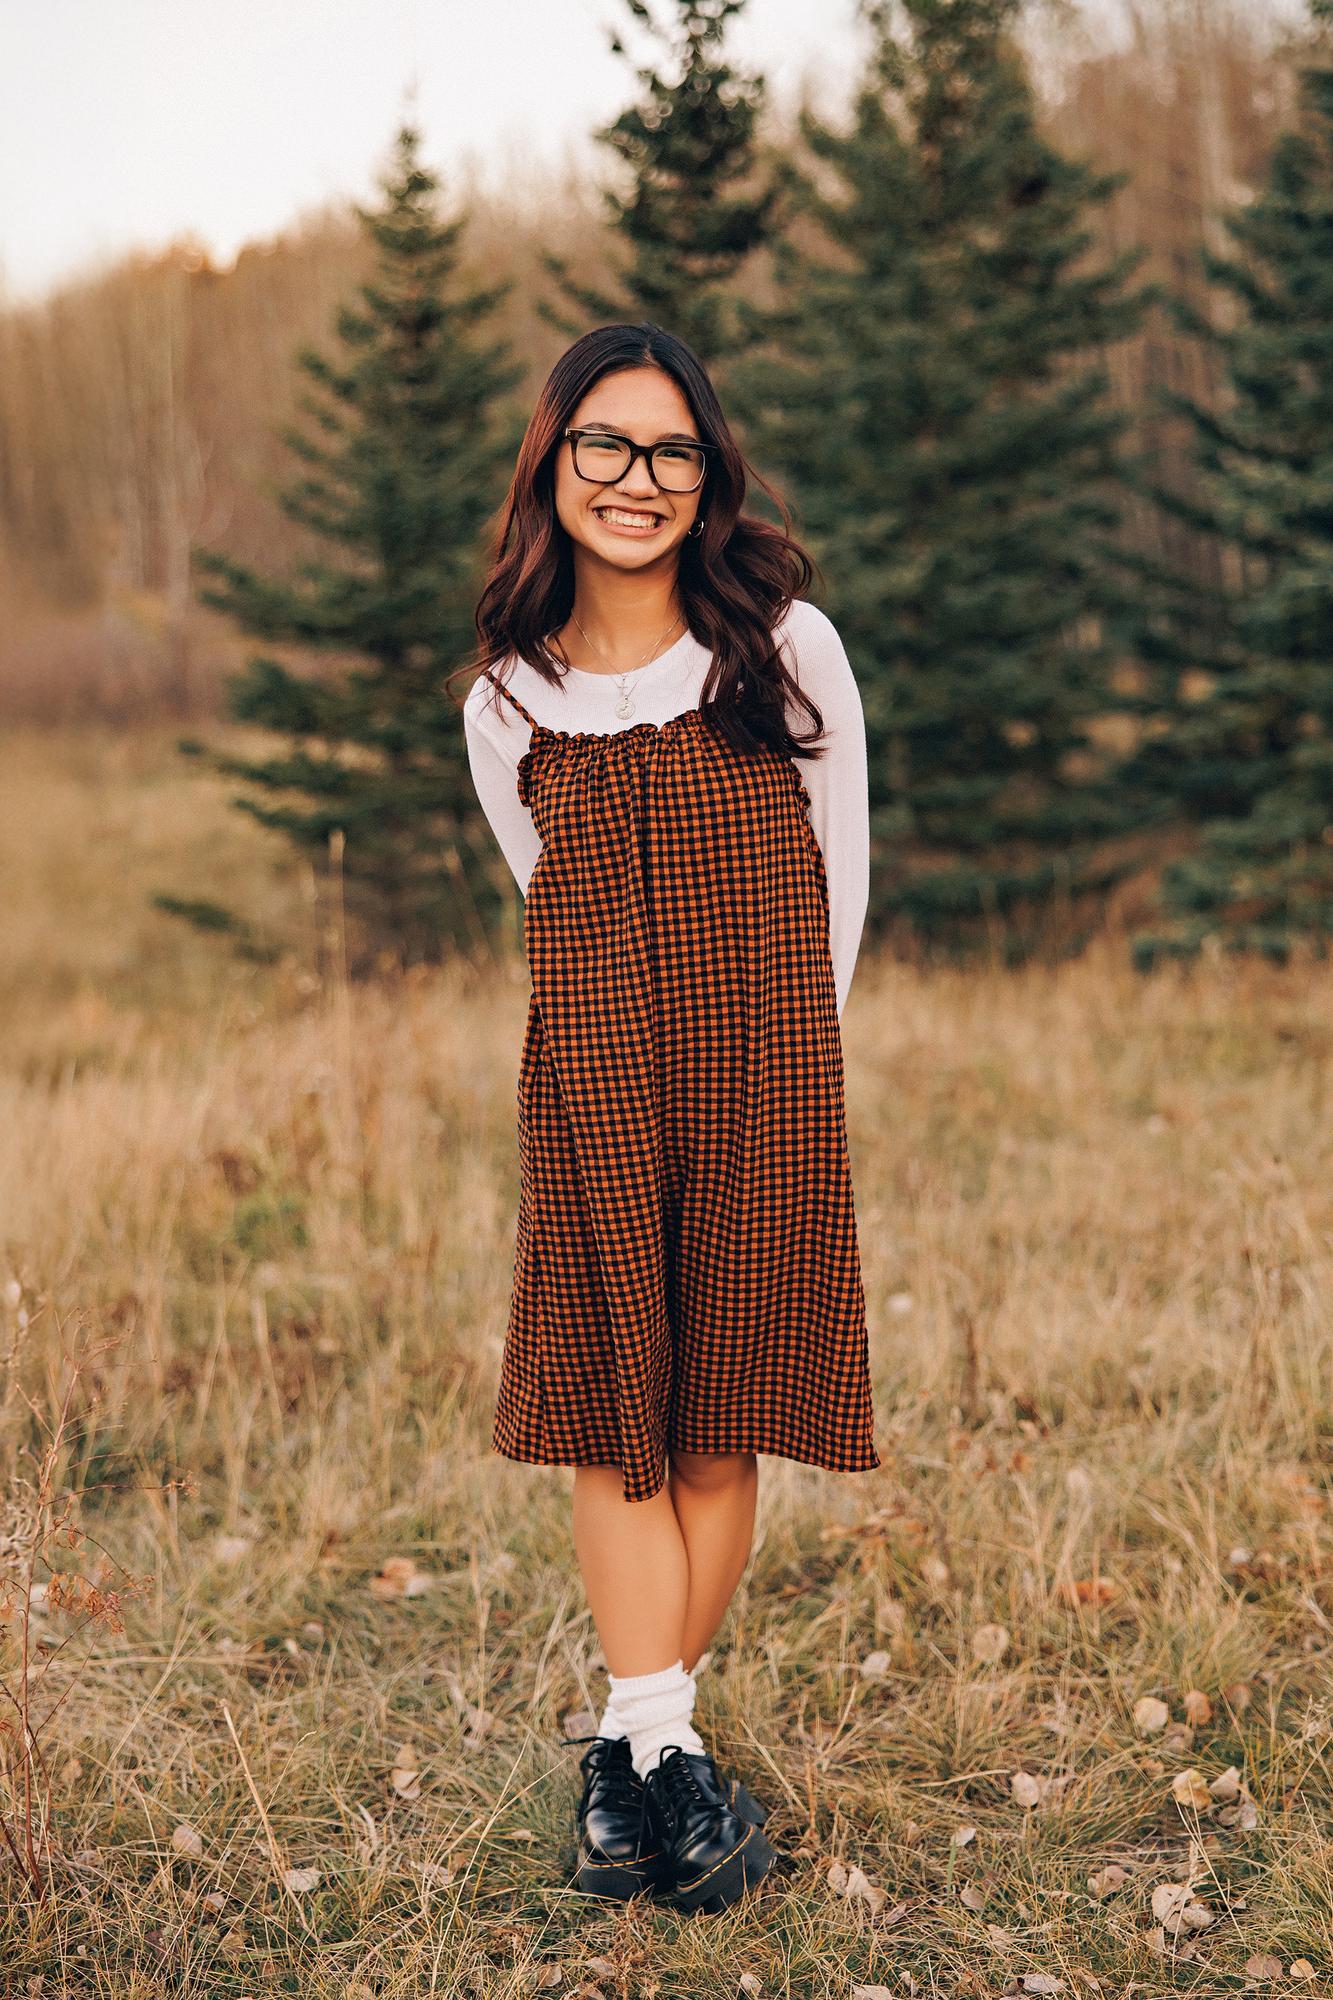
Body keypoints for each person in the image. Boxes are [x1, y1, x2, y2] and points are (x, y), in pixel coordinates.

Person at [458, 321, 880, 1916]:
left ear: (707, 473)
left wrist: (792, 1072)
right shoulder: (509, 696)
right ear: (554, 462)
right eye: (605, 448)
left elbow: (839, 873)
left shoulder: (785, 648)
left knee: (715, 1421)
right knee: (611, 1421)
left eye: (671, 450)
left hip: (763, 1074)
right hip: (595, 1090)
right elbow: (543, 894)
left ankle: (635, 1754)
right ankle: (658, 1748)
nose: (637, 481)